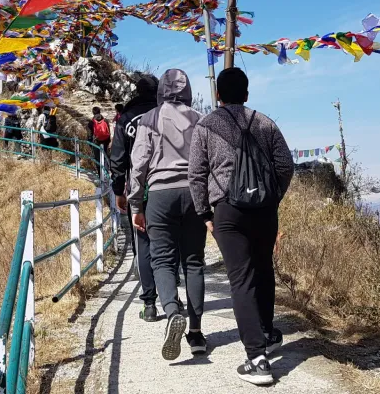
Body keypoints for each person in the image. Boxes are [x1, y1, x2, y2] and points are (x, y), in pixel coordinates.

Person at [188, 67, 294, 386]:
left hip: (228, 211)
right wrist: (272, 197)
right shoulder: (264, 122)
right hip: (264, 210)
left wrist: (204, 213)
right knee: (263, 270)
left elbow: (196, 174)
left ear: (217, 94)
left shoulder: (206, 126)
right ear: (247, 94)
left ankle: (257, 360)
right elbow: (285, 165)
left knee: (241, 279)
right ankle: (267, 333)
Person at [129, 69, 206, 361]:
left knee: (162, 260)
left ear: (162, 91)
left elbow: (139, 165)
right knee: (194, 262)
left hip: (160, 195)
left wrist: (136, 206)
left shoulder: (150, 118)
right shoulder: (200, 119)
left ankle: (173, 312)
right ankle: (196, 335)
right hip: (194, 193)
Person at [111, 75, 160, 321]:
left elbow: (118, 157)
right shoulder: (166, 114)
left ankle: (149, 303)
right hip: (166, 186)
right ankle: (173, 298)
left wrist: (118, 190)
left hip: (138, 188)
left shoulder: (126, 118)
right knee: (168, 243)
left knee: (143, 245)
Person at [88, 106, 111, 177]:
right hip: (105, 140)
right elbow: (108, 131)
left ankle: (100, 175)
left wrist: (90, 143)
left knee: (97, 158)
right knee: (105, 156)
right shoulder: (105, 120)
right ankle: (106, 174)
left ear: (93, 112)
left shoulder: (91, 122)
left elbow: (90, 134)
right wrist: (108, 141)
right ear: (100, 111)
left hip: (96, 141)